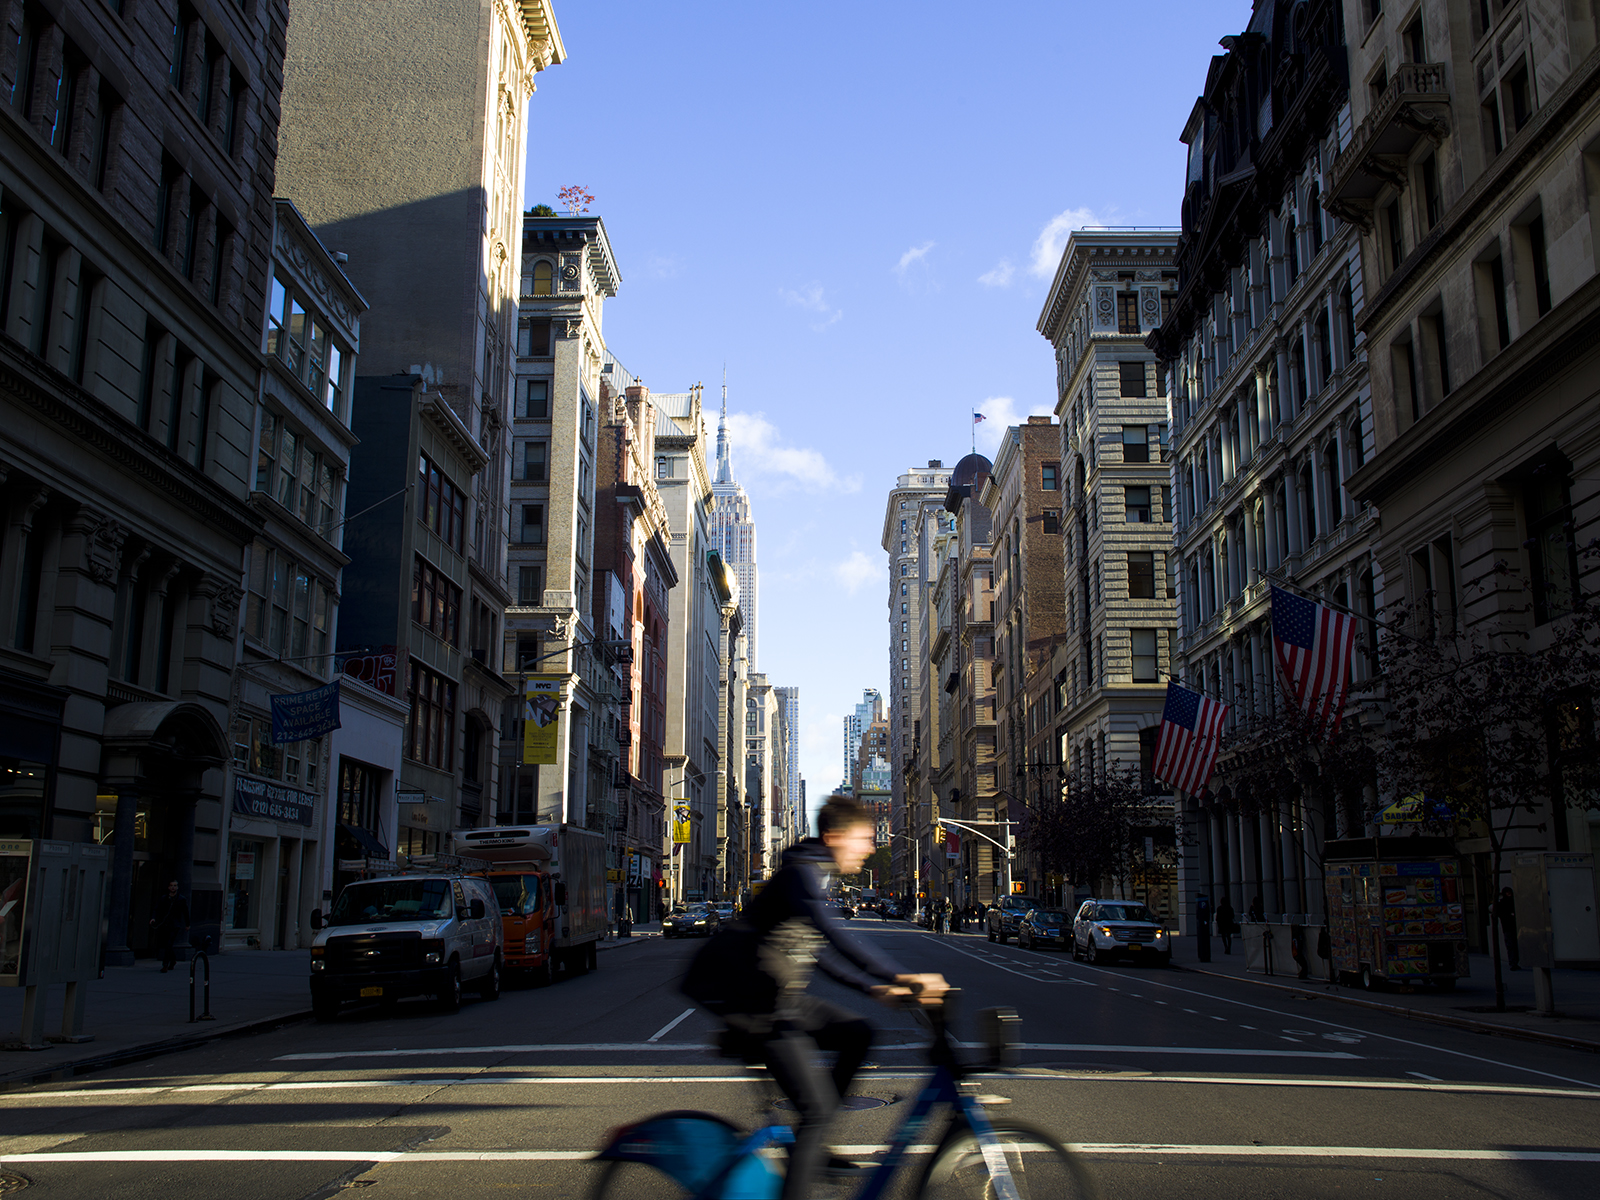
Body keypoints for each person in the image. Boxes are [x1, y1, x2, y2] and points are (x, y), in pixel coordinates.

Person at [681, 796, 947, 1199]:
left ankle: (812, 1138)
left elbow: (818, 952)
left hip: (777, 997)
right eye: (864, 839)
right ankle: (811, 1140)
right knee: (818, 1108)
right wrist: (903, 977)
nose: (870, 848)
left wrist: (873, 988)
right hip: (755, 1006)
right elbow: (835, 936)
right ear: (835, 837)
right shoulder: (800, 874)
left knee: (859, 1034)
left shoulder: (812, 873)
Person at [149, 880, 189, 973]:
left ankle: (165, 964)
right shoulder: (164, 898)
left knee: (169, 944)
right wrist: (153, 918)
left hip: (175, 925)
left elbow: (185, 912)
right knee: (166, 944)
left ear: (177, 887)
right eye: (171, 885)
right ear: (168, 887)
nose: (173, 887)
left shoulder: (181, 899)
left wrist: (187, 924)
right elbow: (157, 909)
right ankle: (173, 960)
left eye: (175, 885)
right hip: (165, 924)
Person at [1494, 887, 1520, 970]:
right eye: (1507, 892)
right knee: (1511, 945)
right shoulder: (1503, 904)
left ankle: (1514, 962)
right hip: (1508, 928)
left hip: (1512, 927)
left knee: (1513, 946)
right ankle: (1513, 962)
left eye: (1509, 892)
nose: (1509, 894)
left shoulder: (1511, 902)